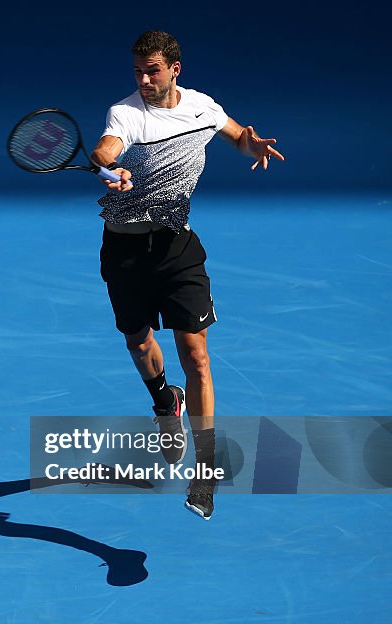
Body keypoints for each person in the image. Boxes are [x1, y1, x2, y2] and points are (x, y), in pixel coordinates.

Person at [89, 30, 284, 519]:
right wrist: (111, 168)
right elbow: (104, 150)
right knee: (138, 343)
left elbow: (237, 135)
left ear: (175, 68)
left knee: (196, 355)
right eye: (137, 70)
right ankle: (164, 401)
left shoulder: (202, 106)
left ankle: (205, 469)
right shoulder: (126, 113)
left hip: (177, 246)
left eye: (152, 69)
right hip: (125, 248)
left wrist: (250, 143)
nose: (144, 79)